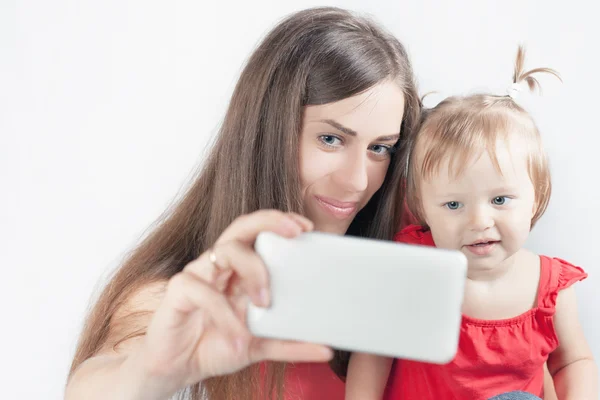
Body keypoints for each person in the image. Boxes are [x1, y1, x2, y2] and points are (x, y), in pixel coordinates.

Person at [64, 6, 421, 400]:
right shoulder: (181, 298)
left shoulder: (408, 244)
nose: (357, 180)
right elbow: (96, 386)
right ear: (268, 132)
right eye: (331, 140)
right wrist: (152, 371)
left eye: (380, 148)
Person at [345, 47, 598, 399]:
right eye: (453, 204)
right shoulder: (413, 266)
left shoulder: (551, 288)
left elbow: (573, 361)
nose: (479, 221)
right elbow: (374, 352)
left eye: (499, 200)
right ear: (422, 209)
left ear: (536, 198)